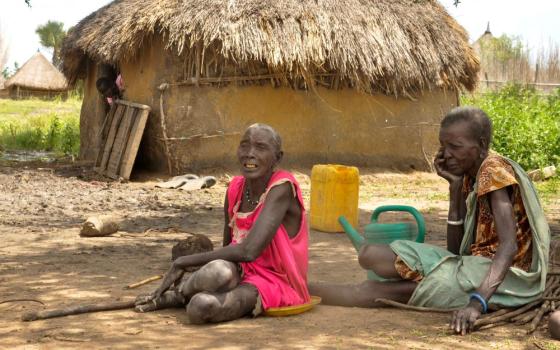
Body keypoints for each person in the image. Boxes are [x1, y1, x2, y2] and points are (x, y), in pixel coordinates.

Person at [309, 106, 550, 335]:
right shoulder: (470, 174)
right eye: (443, 146)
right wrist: (455, 188)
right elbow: (455, 252)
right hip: (467, 266)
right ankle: (303, 289)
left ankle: (302, 291)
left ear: (481, 146)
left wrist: (476, 304)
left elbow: (509, 247)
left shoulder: (493, 170)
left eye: (455, 146)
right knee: (369, 254)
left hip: (502, 278)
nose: (446, 155)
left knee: (370, 291)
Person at [135, 123, 310, 323]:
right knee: (218, 270)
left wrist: (183, 261)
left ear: (277, 158)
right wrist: (214, 275)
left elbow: (248, 251)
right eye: (245, 145)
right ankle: (180, 294)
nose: (250, 153)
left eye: (261, 147)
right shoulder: (235, 188)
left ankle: (180, 296)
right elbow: (228, 249)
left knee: (200, 307)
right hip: (240, 271)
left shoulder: (282, 187)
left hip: (274, 282)